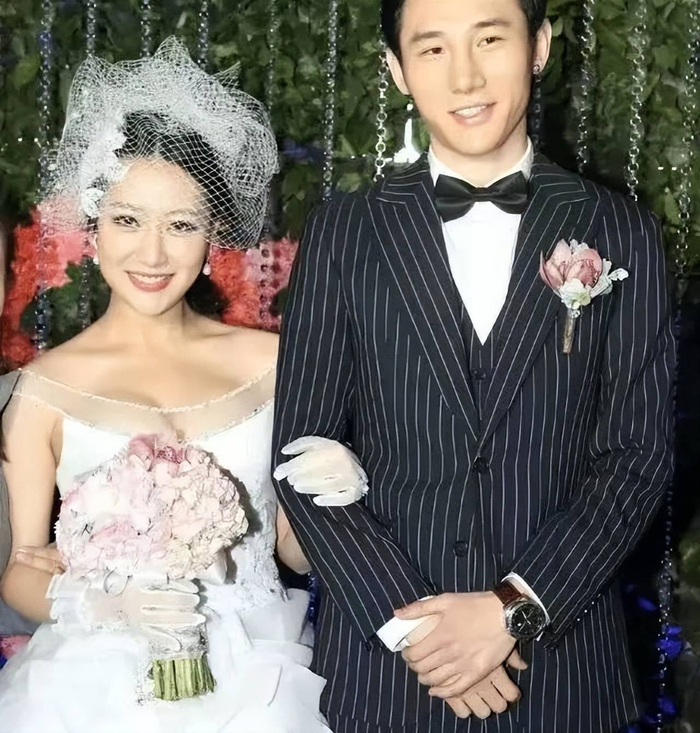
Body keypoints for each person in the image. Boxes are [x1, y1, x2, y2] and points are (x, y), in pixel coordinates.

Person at [272, 0, 676, 731]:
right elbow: (301, 451)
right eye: (432, 49)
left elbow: (638, 455)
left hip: (561, 675)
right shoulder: (343, 231)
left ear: (539, 46)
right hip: (388, 674)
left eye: (490, 39)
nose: (465, 76)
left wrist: (514, 608)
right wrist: (415, 632)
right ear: (397, 69)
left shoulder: (623, 230)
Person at [0, 38, 357, 733]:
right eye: (127, 220)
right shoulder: (41, 390)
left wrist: (341, 491)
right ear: (94, 226)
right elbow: (19, 568)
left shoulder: (275, 363)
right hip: (94, 684)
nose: (153, 253)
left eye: (181, 225)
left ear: (213, 233)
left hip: (260, 670)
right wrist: (103, 603)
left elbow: (293, 549)